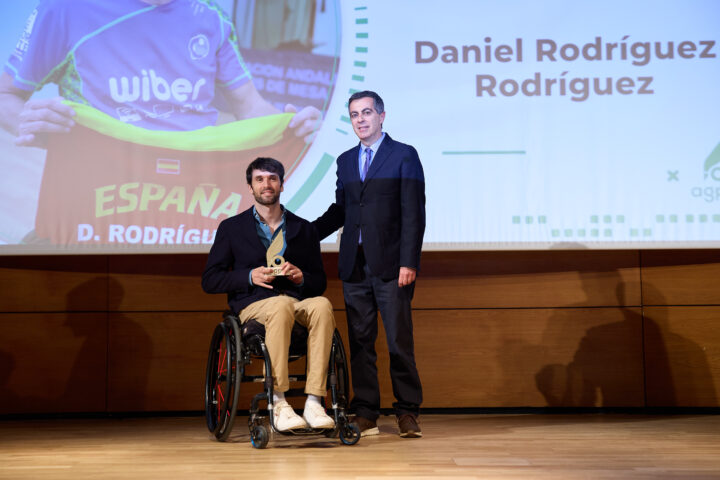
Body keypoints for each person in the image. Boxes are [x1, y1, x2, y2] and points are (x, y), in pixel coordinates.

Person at [313, 90, 425, 438]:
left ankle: (407, 412)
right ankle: (366, 411)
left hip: (393, 266)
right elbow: (341, 210)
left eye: (366, 113)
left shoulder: (403, 155)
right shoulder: (345, 160)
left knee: (397, 342)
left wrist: (409, 262)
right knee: (361, 342)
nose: (360, 119)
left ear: (381, 116)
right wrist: (304, 233)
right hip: (354, 266)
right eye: (354, 115)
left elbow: (414, 215)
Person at [202, 156, 336, 432]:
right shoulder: (231, 228)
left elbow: (319, 282)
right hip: (254, 307)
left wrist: (301, 277)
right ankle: (279, 401)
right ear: (250, 187)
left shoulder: (303, 228)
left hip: (294, 304)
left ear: (282, 185)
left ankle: (313, 401)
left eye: (273, 178)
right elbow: (210, 279)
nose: (267, 184)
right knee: (279, 305)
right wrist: (249, 275)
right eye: (260, 179)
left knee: (322, 304)